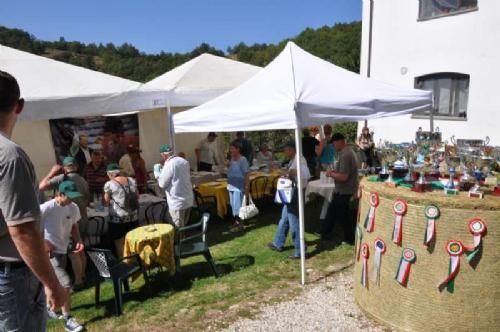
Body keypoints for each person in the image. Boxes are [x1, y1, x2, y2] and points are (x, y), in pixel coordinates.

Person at [0, 70, 67, 331]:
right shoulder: (9, 156)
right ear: (19, 106)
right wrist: (53, 284)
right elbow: (22, 230)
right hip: (13, 276)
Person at [39, 156, 90, 288]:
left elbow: (41, 186)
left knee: (74, 253)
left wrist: (51, 173)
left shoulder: (62, 179)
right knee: (79, 251)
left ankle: (78, 281)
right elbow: (87, 199)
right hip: (81, 218)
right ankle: (82, 277)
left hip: (70, 222)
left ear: (64, 167)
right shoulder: (82, 180)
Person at [42, 180, 84, 332]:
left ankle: (49, 308)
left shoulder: (73, 208)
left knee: (52, 282)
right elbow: (32, 226)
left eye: (74, 196)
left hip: (63, 249)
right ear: (60, 194)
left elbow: (74, 226)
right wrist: (44, 243)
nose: (72, 199)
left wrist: (78, 240)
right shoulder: (46, 208)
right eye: (69, 196)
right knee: (66, 284)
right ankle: (68, 319)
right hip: (49, 253)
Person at [268, 141, 310, 259]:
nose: (284, 153)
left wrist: (289, 172)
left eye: (286, 150)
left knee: (294, 221)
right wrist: (284, 171)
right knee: (285, 218)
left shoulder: (300, 159)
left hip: (295, 193)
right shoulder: (294, 160)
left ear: (292, 150)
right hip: (292, 192)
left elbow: (305, 174)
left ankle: (300, 250)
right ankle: (278, 242)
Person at [322, 133, 359, 245]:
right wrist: (334, 172)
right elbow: (343, 173)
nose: (333, 146)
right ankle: (326, 232)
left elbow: (344, 177)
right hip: (343, 189)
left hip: (345, 189)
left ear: (339, 142)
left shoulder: (346, 155)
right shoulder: (348, 152)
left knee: (343, 215)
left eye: (333, 143)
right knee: (334, 211)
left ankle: (349, 238)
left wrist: (330, 174)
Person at [103, 163, 139, 258]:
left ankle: (124, 263)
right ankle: (136, 261)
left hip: (118, 218)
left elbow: (106, 202)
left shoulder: (109, 184)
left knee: (119, 244)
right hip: (133, 216)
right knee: (133, 241)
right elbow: (137, 196)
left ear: (111, 174)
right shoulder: (131, 180)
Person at [155, 145, 194, 228]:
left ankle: (181, 240)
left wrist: (157, 174)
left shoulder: (169, 164)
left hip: (177, 202)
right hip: (188, 198)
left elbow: (162, 184)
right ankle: (185, 239)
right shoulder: (183, 161)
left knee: (178, 228)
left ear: (164, 155)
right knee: (185, 225)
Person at [226, 141, 250, 232]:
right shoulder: (232, 159)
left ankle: (240, 225)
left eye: (232, 148)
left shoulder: (242, 160)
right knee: (233, 206)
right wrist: (228, 166)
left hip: (238, 187)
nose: (230, 150)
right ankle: (236, 223)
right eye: (230, 148)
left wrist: (247, 188)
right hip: (231, 186)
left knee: (238, 207)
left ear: (238, 149)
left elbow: (247, 174)